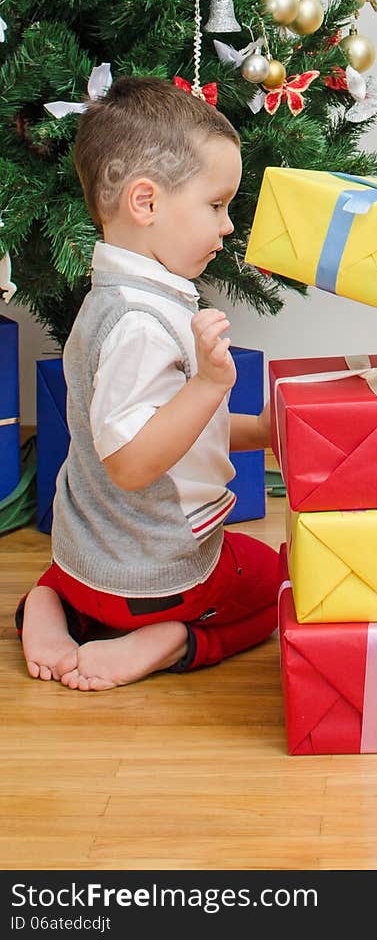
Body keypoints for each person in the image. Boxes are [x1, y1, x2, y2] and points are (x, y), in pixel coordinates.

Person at [18, 77, 279, 691]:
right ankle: (172, 641)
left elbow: (172, 433)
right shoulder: (141, 324)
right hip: (155, 579)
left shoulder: (109, 301)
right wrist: (211, 384)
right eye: (216, 205)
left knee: (75, 579)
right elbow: (134, 464)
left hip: (83, 561)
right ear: (146, 202)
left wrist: (264, 431)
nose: (228, 227)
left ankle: (48, 604)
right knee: (277, 585)